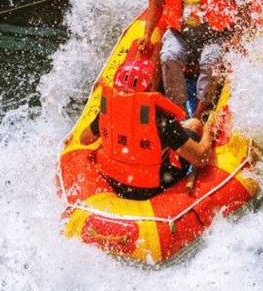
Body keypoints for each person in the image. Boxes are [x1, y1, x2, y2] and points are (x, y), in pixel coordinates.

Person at [79, 46, 221, 200]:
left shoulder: (108, 109)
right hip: (151, 186)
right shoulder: (161, 119)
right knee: (194, 124)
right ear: (148, 87)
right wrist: (208, 130)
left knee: (178, 132)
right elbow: (200, 158)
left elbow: (84, 139)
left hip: (115, 181)